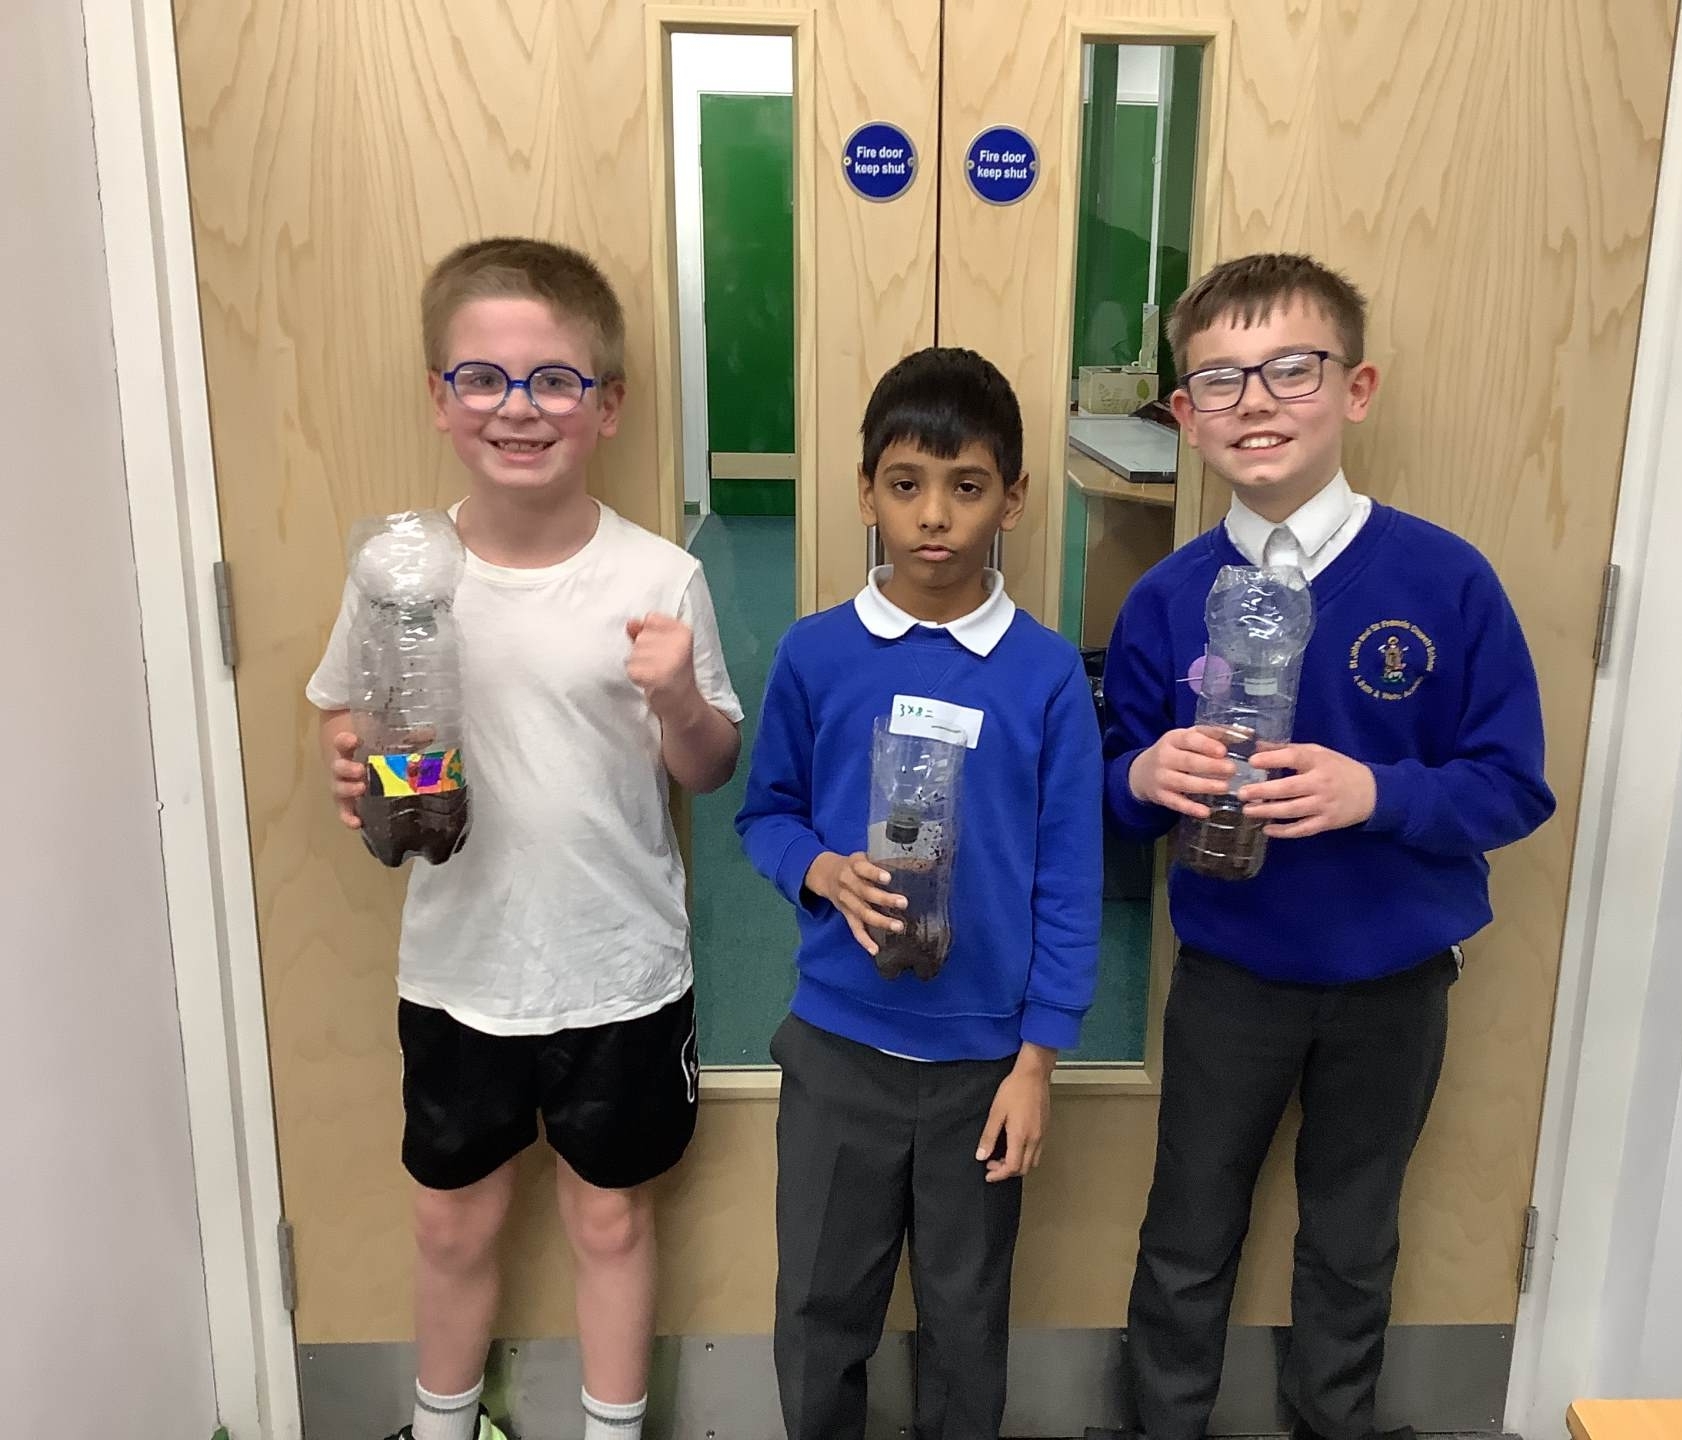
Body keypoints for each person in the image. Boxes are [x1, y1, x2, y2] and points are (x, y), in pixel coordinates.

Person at [1094, 253, 1556, 1440]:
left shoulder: (1446, 582)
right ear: (1184, 414)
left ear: (1356, 389)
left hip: (1393, 982)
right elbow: (1109, 790)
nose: (1256, 401)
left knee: (1353, 1238)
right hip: (1232, 977)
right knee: (1189, 1227)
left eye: (1291, 369)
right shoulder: (1164, 600)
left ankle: (1333, 1423)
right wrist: (1141, 777)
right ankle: (1162, 1425)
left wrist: (1376, 793)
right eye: (1221, 379)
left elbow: (1513, 788)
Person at [307, 237, 743, 1440]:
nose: (518, 407)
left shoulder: (659, 577)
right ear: (438, 399)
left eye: (555, 379)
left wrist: (679, 699)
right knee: (451, 1221)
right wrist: (347, 759)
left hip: (618, 969)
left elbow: (708, 767)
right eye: (483, 378)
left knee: (610, 1218)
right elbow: (346, 711)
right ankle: (443, 1424)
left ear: (608, 406)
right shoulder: (399, 574)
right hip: (460, 969)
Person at [736, 347, 1103, 1440]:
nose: (934, 515)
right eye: (906, 484)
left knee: (966, 1320)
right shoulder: (815, 655)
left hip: (984, 1071)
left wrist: (1037, 1062)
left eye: (967, 486)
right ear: (866, 493)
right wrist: (818, 869)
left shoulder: (1044, 674)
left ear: (1013, 500)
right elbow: (766, 814)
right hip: (839, 1049)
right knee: (819, 1311)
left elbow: (1069, 877)